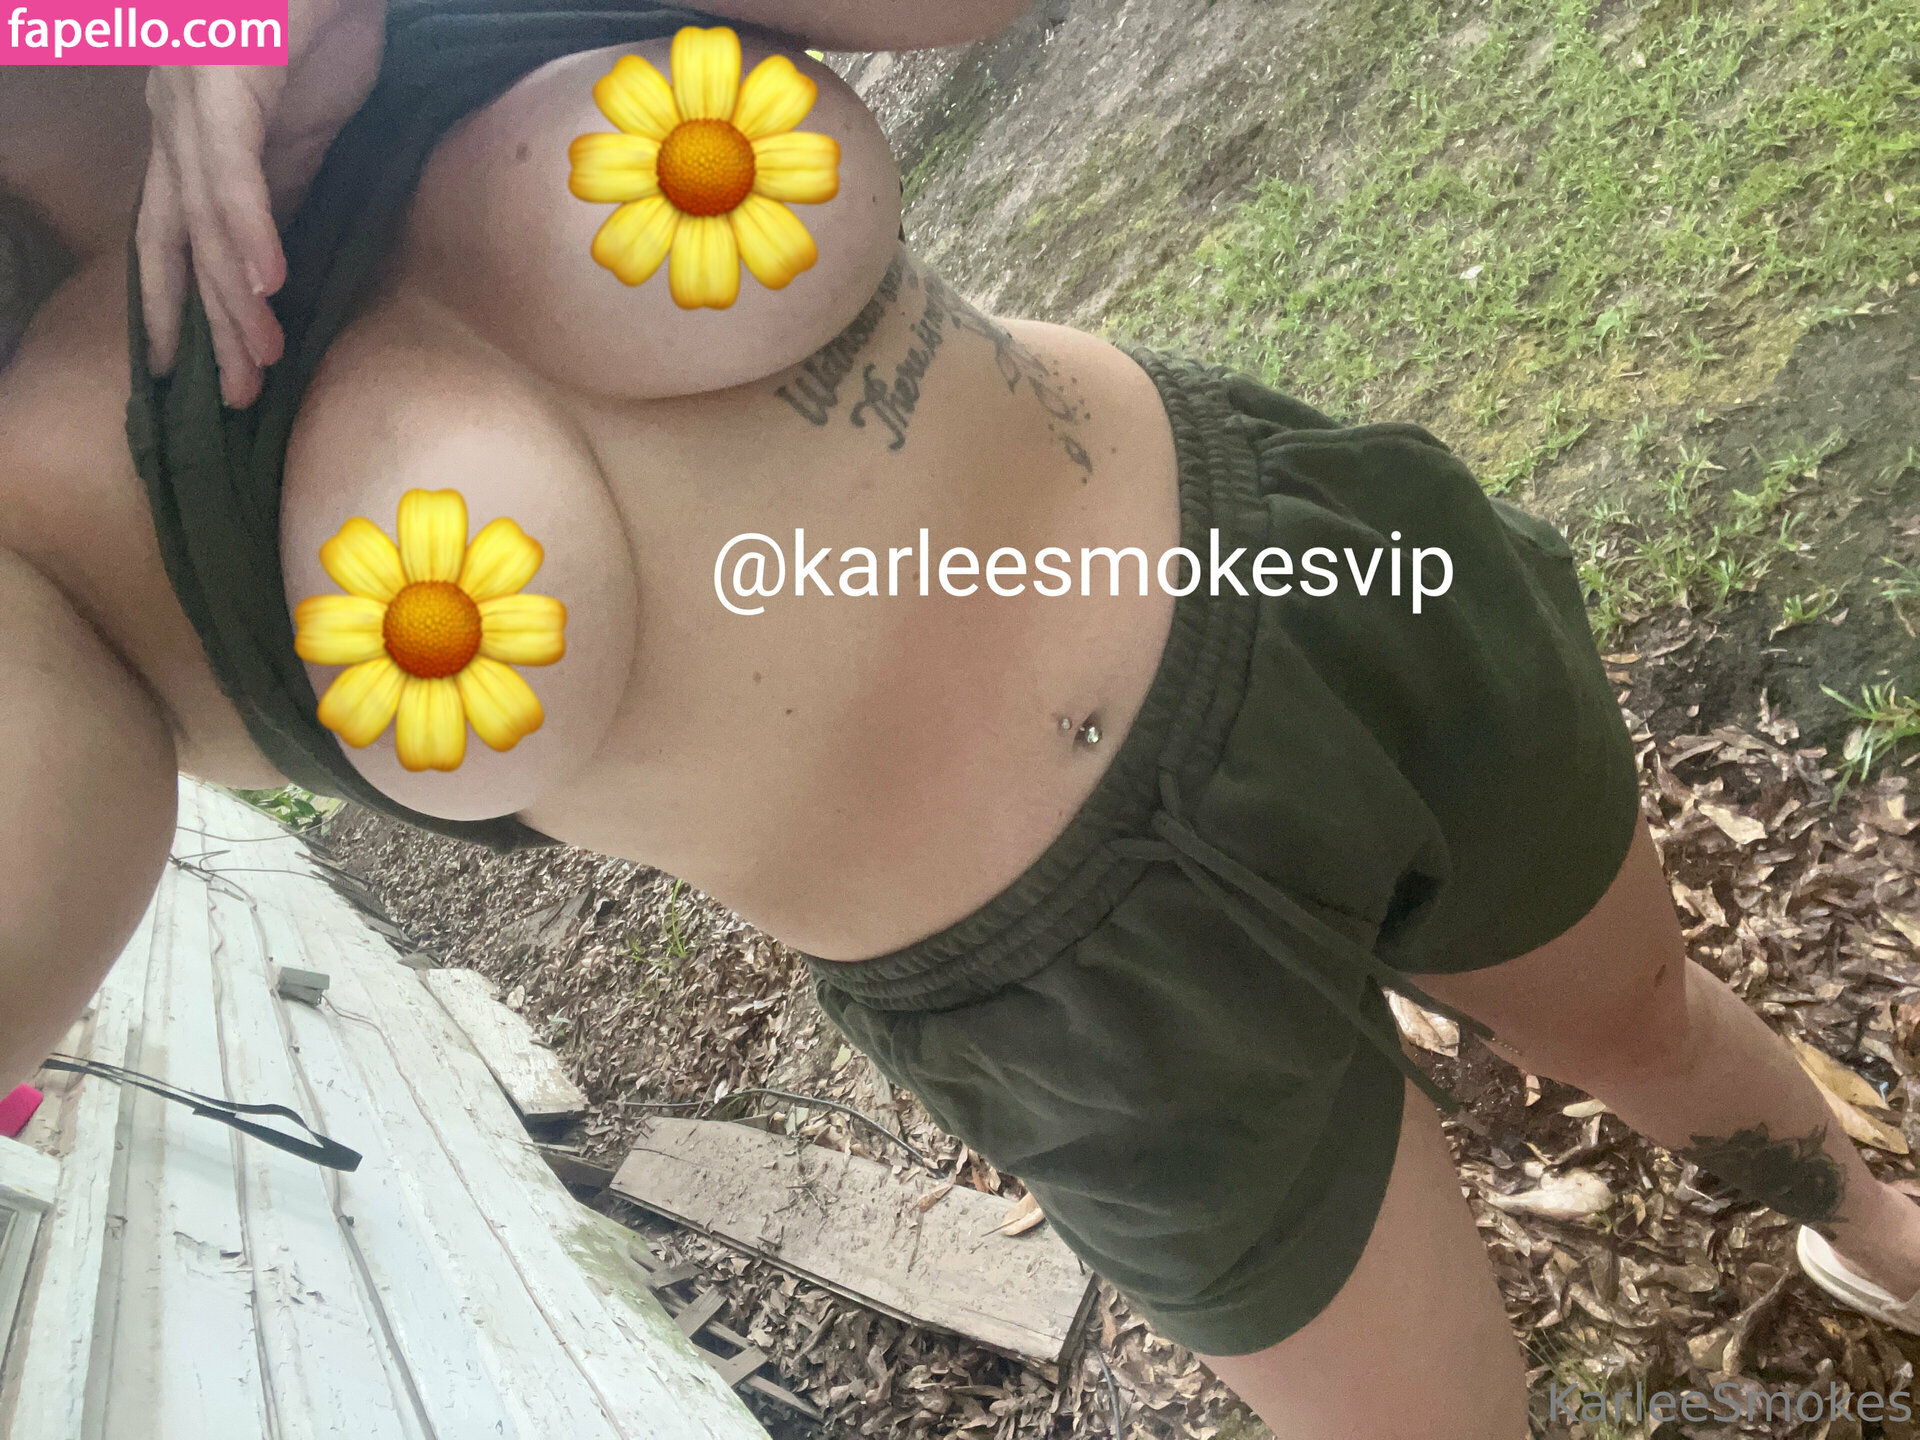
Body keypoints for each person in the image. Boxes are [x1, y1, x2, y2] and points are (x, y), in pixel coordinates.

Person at [3, 8, 1918, 1434]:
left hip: (1312, 591)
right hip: (1082, 1000)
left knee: (1649, 1022)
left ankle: (1863, 1221)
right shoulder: (34, 502)